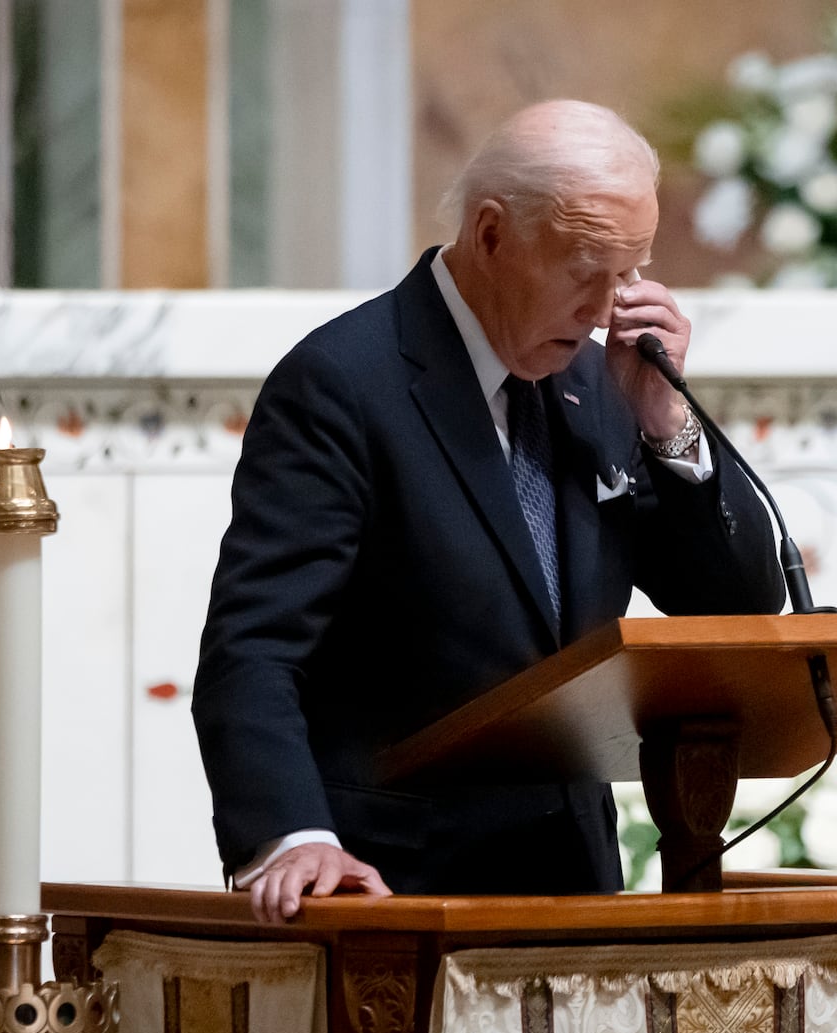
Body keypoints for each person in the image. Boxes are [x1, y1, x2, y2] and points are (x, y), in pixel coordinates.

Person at [191, 99, 785, 922]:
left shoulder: (604, 377)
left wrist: (667, 423)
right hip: (393, 888)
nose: (612, 304)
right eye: (587, 267)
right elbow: (253, 649)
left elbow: (738, 608)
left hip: (572, 882)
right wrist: (292, 837)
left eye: (633, 268)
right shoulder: (342, 382)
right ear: (493, 233)